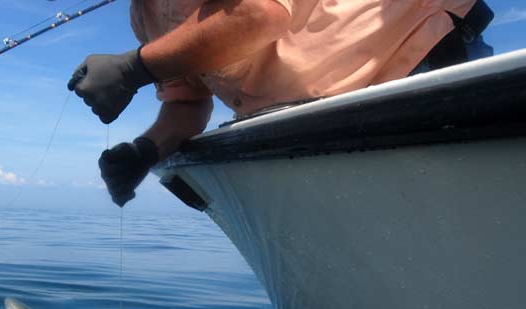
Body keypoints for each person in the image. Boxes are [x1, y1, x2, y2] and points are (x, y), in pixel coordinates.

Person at [68, 0, 494, 207]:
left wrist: (132, 68)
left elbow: (258, 14)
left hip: (418, 74)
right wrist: (144, 151)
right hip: (313, 133)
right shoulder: (144, 14)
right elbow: (188, 102)